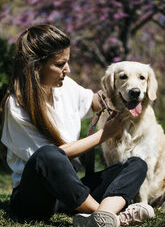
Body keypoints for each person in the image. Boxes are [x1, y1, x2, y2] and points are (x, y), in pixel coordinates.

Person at [0, 24, 155, 227]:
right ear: (35, 66)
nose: (68, 70)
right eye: (60, 64)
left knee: (136, 164)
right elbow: (51, 160)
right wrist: (104, 135)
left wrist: (114, 96)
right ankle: (111, 217)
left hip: (71, 194)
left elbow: (95, 100)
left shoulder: (66, 87)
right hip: (35, 198)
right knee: (49, 154)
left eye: (68, 62)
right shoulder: (16, 105)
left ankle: (103, 216)